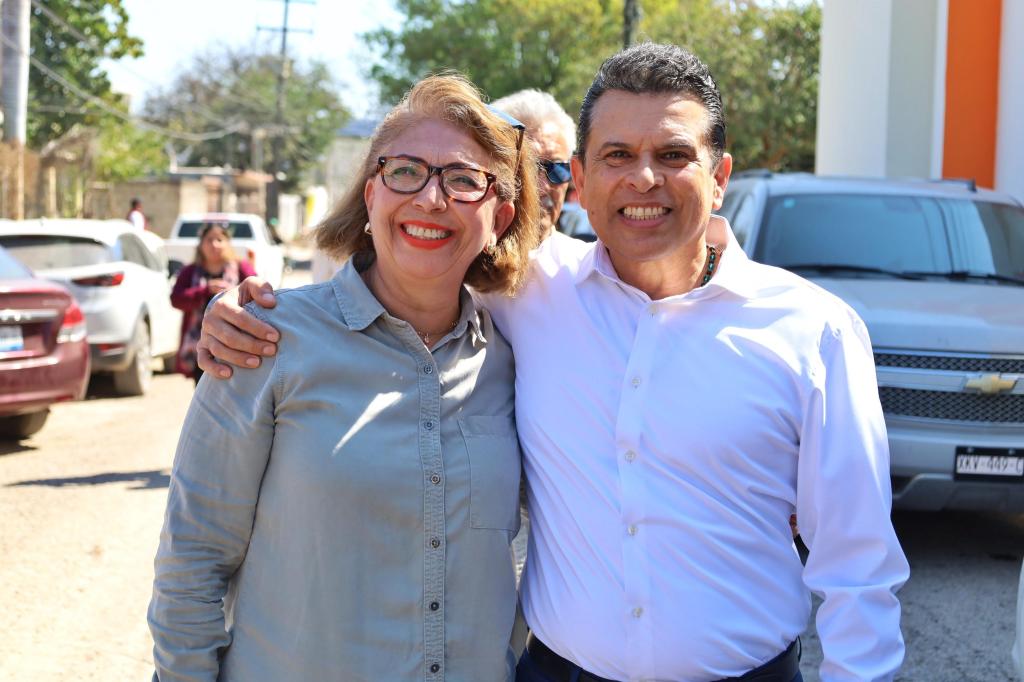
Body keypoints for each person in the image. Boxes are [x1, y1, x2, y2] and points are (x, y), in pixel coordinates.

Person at [197, 43, 910, 681]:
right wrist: (242, 310)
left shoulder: (814, 331)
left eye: (672, 155)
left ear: (719, 175)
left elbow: (856, 565)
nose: (643, 180)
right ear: (582, 177)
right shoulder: (530, 290)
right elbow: (410, 261)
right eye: (617, 156)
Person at [148, 73, 542, 681]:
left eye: (464, 181)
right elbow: (194, 557)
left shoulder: (516, 361)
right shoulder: (266, 341)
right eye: (405, 170)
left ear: (501, 217)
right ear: (371, 195)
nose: (431, 199)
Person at [169, 222, 256, 384]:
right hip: (199, 346)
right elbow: (176, 299)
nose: (214, 245)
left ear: (228, 244)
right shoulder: (190, 271)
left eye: (219, 240)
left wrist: (232, 292)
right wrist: (204, 291)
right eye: (209, 240)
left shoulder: (242, 268)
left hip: (235, 341)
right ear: (201, 244)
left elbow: (257, 293)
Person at [490, 89, 576, 238]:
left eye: (557, 169)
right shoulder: (461, 259)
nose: (542, 188)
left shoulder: (587, 260)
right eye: (527, 168)